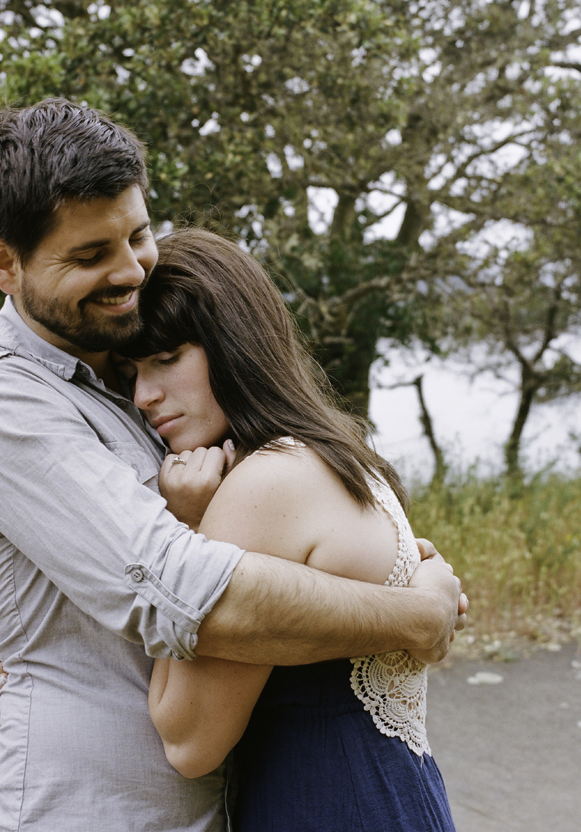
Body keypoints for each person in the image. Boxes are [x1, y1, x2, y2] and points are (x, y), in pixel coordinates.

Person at [0, 98, 464, 832]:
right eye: (90, 256)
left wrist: (56, 645)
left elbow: (211, 551)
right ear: (2, 262)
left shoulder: (131, 388)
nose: (129, 271)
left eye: (139, 235)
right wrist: (411, 612)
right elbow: (182, 590)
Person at [120, 227, 457, 830]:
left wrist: (188, 528)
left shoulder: (264, 485)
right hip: (393, 798)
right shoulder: (335, 452)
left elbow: (188, 742)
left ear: (234, 345)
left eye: (167, 359)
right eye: (134, 370)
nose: (145, 395)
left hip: (329, 805)